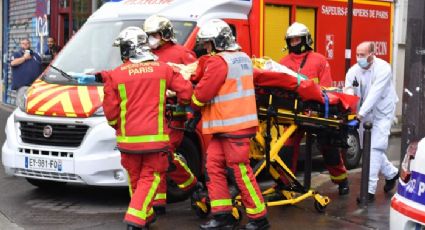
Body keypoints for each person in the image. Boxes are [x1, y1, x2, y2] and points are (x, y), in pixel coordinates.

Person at [101, 26, 193, 230]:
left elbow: (111, 113)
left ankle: (147, 215)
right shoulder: (163, 69)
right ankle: (134, 220)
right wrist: (179, 104)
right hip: (155, 141)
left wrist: (119, 127)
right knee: (149, 179)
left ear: (128, 49)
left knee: (136, 179)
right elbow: (186, 92)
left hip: (127, 142)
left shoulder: (115, 75)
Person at [192, 19, 269, 230]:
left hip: (231, 126)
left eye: (208, 44)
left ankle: (259, 218)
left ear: (217, 42)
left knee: (239, 171)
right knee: (213, 167)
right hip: (229, 127)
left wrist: (190, 100)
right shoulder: (243, 58)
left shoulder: (219, 62)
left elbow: (203, 94)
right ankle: (222, 215)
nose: (206, 48)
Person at [279, 22, 350, 195]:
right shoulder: (283, 62)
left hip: (316, 112)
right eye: (291, 40)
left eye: (297, 39)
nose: (294, 43)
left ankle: (341, 180)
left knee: (328, 145)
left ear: (305, 40)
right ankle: (284, 184)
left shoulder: (319, 60)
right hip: (293, 112)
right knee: (286, 148)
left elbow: (327, 87)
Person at [143, 14, 199, 214]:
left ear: (165, 34)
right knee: (156, 157)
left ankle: (191, 186)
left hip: (174, 115)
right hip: (152, 114)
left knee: (163, 154)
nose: (151, 38)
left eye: (155, 34)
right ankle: (158, 203)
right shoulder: (146, 54)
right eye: (149, 35)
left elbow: (195, 80)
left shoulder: (183, 54)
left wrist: (175, 92)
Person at [345, 41, 399, 202]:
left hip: (383, 112)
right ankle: (392, 174)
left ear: (372, 55)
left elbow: (375, 93)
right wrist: (349, 107)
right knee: (367, 148)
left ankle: (368, 192)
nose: (359, 58)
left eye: (362, 55)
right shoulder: (354, 70)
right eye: (357, 54)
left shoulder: (383, 68)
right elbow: (348, 88)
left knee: (375, 148)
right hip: (365, 114)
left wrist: (360, 115)